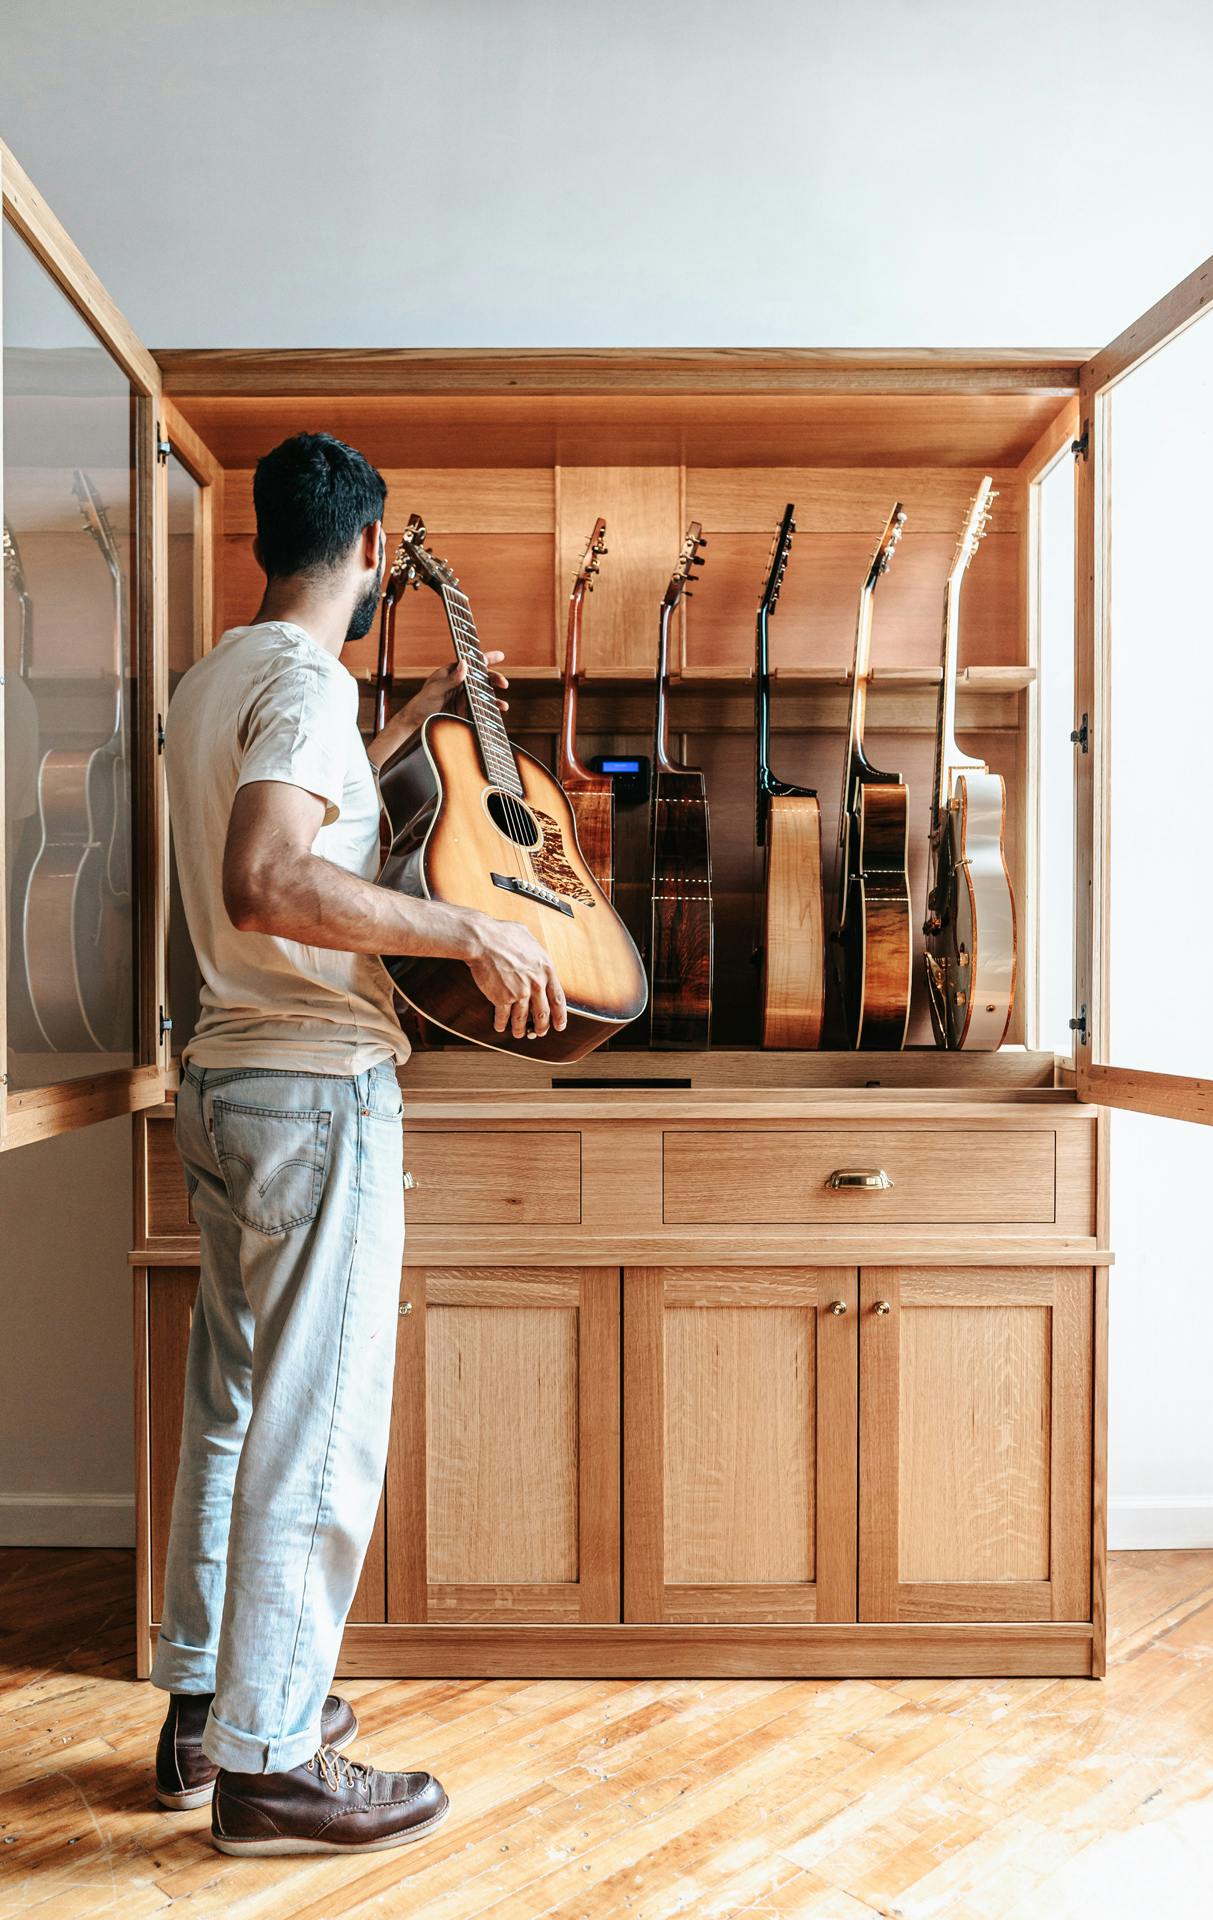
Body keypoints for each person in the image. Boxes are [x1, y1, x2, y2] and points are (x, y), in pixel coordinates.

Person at [151, 431, 566, 1856]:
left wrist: (414, 726)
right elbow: (270, 875)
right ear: (376, 552)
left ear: (263, 539)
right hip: (313, 1090)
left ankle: (212, 1709)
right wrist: (465, 925)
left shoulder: (223, 679)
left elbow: (289, 810)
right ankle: (275, 1771)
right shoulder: (303, 682)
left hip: (222, 1084)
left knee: (234, 1404)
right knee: (318, 1429)